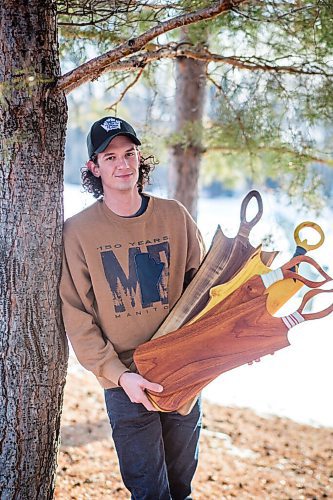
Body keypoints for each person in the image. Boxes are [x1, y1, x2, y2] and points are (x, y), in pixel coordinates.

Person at [60, 116, 205, 500]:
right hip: (125, 380)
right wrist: (118, 375)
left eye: (129, 153)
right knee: (149, 493)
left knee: (180, 489)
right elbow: (77, 316)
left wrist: (227, 344)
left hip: (182, 373)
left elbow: (206, 292)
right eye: (110, 157)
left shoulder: (175, 216)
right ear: (94, 167)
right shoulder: (77, 232)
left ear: (140, 158)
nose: (122, 164)